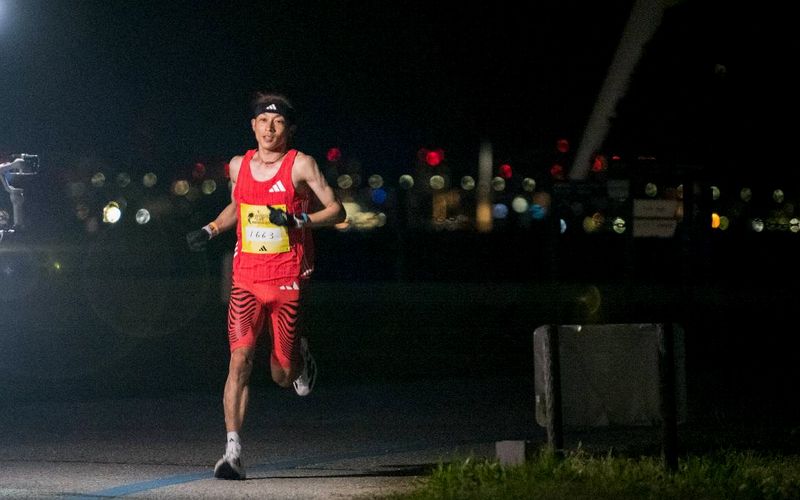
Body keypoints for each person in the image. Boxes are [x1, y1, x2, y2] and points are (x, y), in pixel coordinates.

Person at [186, 92, 345, 480]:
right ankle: (233, 451)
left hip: (287, 279)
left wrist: (298, 221)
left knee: (282, 375)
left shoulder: (300, 164)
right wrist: (211, 229)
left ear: (288, 129)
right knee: (239, 360)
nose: (269, 128)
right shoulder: (239, 165)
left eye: (277, 123)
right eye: (262, 121)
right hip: (246, 280)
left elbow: (337, 211)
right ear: (253, 126)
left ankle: (299, 357)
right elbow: (236, 206)